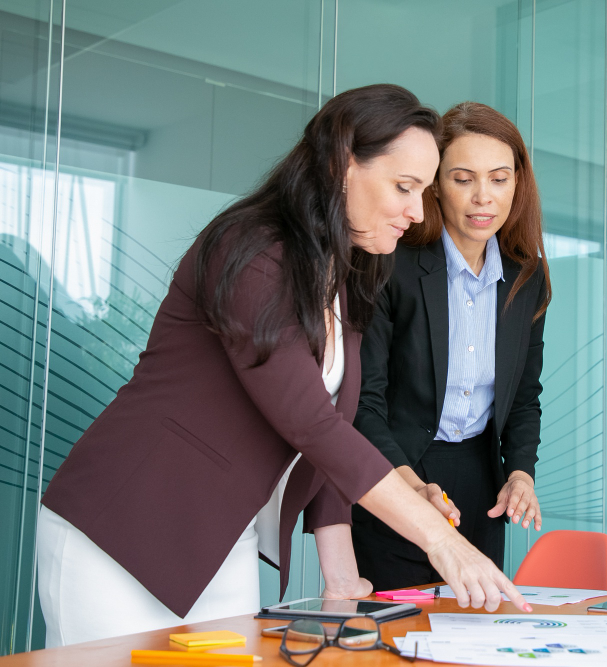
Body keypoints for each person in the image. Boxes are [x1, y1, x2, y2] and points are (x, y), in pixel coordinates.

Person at [35, 84, 529, 648]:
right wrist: (443, 544)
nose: (418, 212)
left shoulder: (345, 275)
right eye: (404, 187)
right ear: (342, 165)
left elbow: (332, 427)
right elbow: (307, 422)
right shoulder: (252, 249)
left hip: (220, 540)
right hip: (122, 530)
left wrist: (339, 566)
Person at [349, 101, 551, 591]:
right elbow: (362, 401)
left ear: (517, 184)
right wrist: (408, 485)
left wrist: (520, 472)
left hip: (481, 483)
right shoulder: (391, 266)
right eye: (463, 178)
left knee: (476, 632)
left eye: (499, 179)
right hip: (396, 473)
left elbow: (524, 397)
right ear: (436, 184)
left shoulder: (528, 279)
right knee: (399, 633)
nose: (484, 197)